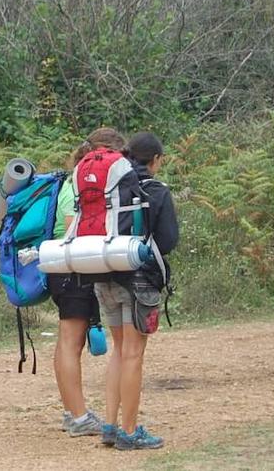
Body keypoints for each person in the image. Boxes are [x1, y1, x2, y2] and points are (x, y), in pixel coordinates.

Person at [96, 132, 178, 451]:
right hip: (138, 280)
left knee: (119, 351)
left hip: (103, 275)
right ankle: (129, 432)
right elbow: (168, 240)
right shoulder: (156, 190)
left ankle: (111, 425)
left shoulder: (111, 187)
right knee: (133, 354)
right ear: (155, 159)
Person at [49, 127, 127, 437]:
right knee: (70, 341)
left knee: (69, 341)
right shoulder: (79, 184)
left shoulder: (77, 179)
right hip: (72, 266)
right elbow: (72, 226)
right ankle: (78, 417)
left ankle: (73, 412)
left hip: (65, 266)